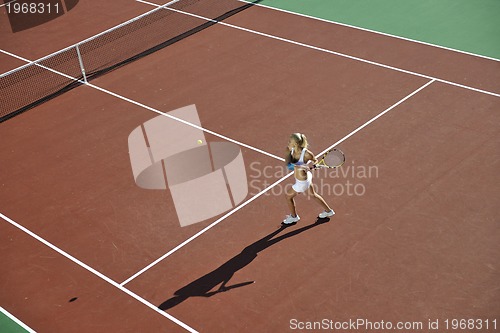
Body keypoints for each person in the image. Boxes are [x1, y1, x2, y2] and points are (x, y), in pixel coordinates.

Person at [282, 133, 334, 225]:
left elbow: (315, 160)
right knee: (313, 194)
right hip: (305, 178)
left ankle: (294, 217)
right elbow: (289, 166)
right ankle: (328, 211)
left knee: (288, 196)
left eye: (290, 141)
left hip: (302, 182)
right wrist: (300, 166)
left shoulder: (306, 154)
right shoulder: (289, 150)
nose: (288, 142)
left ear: (296, 144)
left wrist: (314, 165)